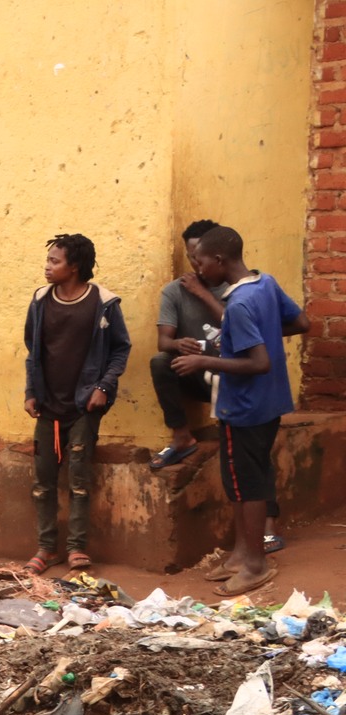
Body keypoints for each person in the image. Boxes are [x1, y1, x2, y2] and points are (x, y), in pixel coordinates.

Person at [173, 224, 308, 596]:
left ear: (218, 260)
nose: (199, 270)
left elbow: (258, 362)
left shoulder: (239, 305)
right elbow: (300, 322)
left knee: (246, 485)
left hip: (244, 406)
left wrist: (204, 361)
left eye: (201, 263)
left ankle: (254, 565)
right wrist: (260, 337)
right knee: (247, 479)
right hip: (272, 401)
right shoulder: (264, 283)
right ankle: (240, 554)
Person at [20, 233, 131, 574]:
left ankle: (76, 548)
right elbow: (32, 349)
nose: (48, 266)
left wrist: (103, 386)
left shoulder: (104, 303)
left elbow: (120, 349)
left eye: (55, 261)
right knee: (44, 482)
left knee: (79, 479)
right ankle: (46, 547)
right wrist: (30, 391)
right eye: (48, 259)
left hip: (84, 406)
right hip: (47, 407)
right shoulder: (40, 301)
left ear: (75, 267)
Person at [150, 219, 232, 471]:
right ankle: (182, 436)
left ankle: (232, 432)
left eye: (201, 256)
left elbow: (238, 328)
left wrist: (202, 294)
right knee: (161, 362)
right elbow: (163, 342)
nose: (196, 263)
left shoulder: (236, 288)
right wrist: (177, 344)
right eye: (191, 256)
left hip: (233, 373)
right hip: (197, 376)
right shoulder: (174, 291)